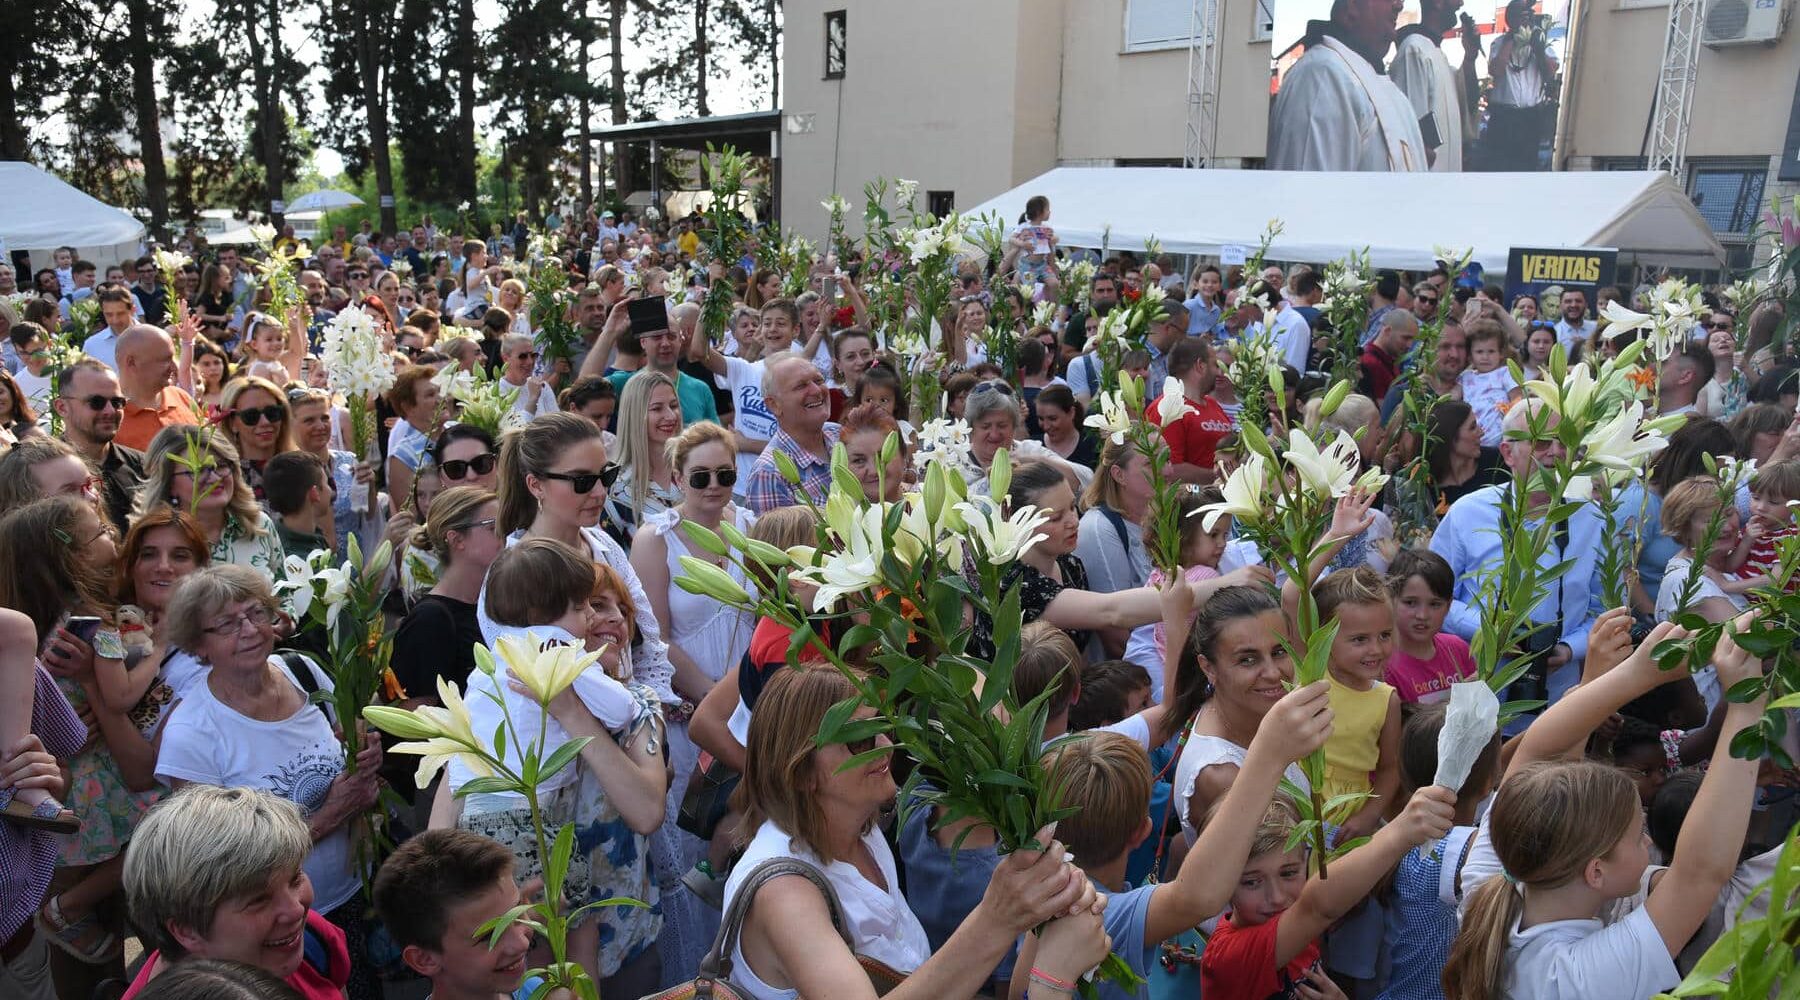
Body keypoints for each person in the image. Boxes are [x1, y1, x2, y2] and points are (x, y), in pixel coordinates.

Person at [722, 666, 1111, 1000]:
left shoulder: (860, 829)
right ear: (802, 772)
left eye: (881, 725)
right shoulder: (784, 895)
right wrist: (1000, 916)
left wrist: (1040, 901)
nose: (885, 745)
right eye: (860, 740)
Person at [1442, 618, 1764, 1000]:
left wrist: (1638, 673)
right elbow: (1699, 873)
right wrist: (1745, 710)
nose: (1648, 841)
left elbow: (1539, 752)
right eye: (1637, 835)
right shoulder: (1576, 981)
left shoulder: (1492, 890)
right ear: (1595, 871)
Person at [1011, 685, 1333, 1000]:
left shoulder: (1043, 896)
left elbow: (1017, 990)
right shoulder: (1101, 911)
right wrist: (1268, 754)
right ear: (1143, 830)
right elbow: (1196, 897)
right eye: (1250, 880)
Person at [154, 566, 382, 999]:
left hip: (353, 892)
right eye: (226, 624)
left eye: (256, 612)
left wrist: (366, 755)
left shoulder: (301, 670)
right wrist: (331, 814)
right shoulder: (191, 734)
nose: (249, 630)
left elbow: (346, 736)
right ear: (199, 645)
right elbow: (217, 865)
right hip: (277, 928)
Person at [487, 412, 678, 705]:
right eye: (582, 481)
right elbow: (526, 687)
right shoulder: (511, 574)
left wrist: (649, 714)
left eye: (606, 475)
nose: (600, 492)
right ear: (536, 485)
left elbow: (648, 650)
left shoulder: (604, 546)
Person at [1431, 399, 1601, 702]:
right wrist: (1492, 633)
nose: (1555, 452)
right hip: (1480, 686)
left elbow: (1605, 610)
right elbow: (1435, 598)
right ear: (1507, 453)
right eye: (1541, 442)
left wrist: (1568, 648)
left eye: (1563, 442)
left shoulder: (1593, 521)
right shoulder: (1467, 513)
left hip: (1561, 695)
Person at [119, 786, 350, 1000]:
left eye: (295, 879)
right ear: (186, 930)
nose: (296, 910)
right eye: (259, 900)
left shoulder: (309, 937)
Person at [372, 830, 540, 1000]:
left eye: (518, 913)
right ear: (425, 959)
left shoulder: (535, 990)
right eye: (490, 935)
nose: (522, 943)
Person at [1268, 0, 1427, 171]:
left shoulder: (1383, 85)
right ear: (1351, 6)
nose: (1399, 5)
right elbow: (1308, 186)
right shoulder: (1322, 77)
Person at [390, 486, 498, 704]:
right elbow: (414, 712)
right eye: (493, 527)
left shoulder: (491, 605)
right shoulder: (429, 619)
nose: (506, 535)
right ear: (457, 540)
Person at [138, 427, 285, 582]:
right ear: (169, 484)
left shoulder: (259, 524)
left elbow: (286, 590)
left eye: (220, 466)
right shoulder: (151, 538)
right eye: (198, 470)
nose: (214, 478)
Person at [50, 358, 146, 534]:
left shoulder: (142, 466)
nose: (110, 411)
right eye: (96, 402)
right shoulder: (42, 472)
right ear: (62, 407)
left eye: (117, 402)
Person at [742, 353, 842, 515]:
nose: (817, 390)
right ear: (774, 405)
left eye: (818, 380)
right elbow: (778, 533)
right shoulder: (769, 473)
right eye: (801, 386)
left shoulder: (837, 433)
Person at [1384, 548, 1477, 704]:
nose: (1422, 615)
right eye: (1410, 603)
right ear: (1390, 599)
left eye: (1435, 604)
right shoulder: (1383, 664)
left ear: (1448, 606)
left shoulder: (1458, 649)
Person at [602, 371, 685, 540]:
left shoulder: (698, 470)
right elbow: (609, 551)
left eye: (674, 406)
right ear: (634, 414)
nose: (671, 416)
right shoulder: (614, 486)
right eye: (657, 408)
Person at [1150, 338, 1232, 485]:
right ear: (1200, 365)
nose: (1220, 372)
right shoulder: (1167, 407)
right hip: (1191, 498)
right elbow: (1170, 469)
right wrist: (1222, 477)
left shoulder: (1213, 404)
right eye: (1215, 365)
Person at [115, 323, 204, 452]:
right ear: (132, 362)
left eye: (173, 358)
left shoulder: (181, 397)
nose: (174, 367)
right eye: (165, 360)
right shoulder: (108, 416)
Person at [219, 376, 297, 501]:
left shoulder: (301, 468)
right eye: (251, 416)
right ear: (232, 423)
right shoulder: (223, 478)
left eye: (272, 412)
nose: (265, 422)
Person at [383, 365, 446, 517]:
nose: (441, 398)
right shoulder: (402, 457)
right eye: (430, 394)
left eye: (440, 391)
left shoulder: (459, 431)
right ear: (408, 407)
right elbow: (409, 520)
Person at [1423, 398, 1507, 509]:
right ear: (1450, 436)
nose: (1481, 432)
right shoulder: (1426, 490)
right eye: (1472, 427)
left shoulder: (1499, 462)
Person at [1460, 318, 1521, 448]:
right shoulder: (1465, 377)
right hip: (1472, 439)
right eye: (1479, 352)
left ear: (1501, 353)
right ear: (1470, 356)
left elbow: (1518, 398)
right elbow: (1452, 397)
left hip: (1500, 438)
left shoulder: (1505, 373)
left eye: (1491, 351)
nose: (1485, 357)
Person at [262, 452, 336, 559]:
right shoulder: (298, 558)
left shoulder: (277, 536)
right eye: (326, 483)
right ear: (314, 493)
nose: (330, 491)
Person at [1359, 310, 1420, 403]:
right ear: (1387, 331)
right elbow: (1382, 408)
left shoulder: (1389, 359)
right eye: (1406, 338)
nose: (1409, 345)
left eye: (1412, 340)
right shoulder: (1371, 363)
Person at [1034, 384, 1100, 469]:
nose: (1046, 426)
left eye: (1052, 418)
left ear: (1071, 413)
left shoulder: (1093, 446)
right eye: (1041, 418)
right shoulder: (1032, 447)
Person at [494, 335, 556, 420]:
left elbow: (557, 421)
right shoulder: (498, 391)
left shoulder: (542, 386)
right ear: (505, 358)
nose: (530, 362)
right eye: (523, 356)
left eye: (533, 355)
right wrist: (533, 398)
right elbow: (516, 426)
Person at [1552, 288, 1595, 355]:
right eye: (1568, 301)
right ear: (1560, 306)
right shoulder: (1554, 333)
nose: (1573, 305)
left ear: (1586, 305)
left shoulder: (1596, 328)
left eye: (1578, 301)